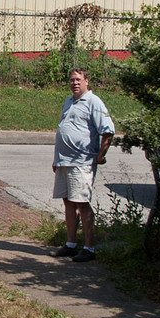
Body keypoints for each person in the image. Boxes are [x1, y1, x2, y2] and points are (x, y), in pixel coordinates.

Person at [51, 68, 114, 262]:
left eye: (78, 80)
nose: (75, 83)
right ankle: (71, 244)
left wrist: (101, 155)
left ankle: (89, 248)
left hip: (82, 162)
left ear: (87, 81)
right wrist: (56, 159)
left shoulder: (94, 102)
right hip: (64, 162)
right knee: (68, 201)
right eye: (71, 80)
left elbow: (108, 131)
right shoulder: (69, 102)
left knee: (82, 203)